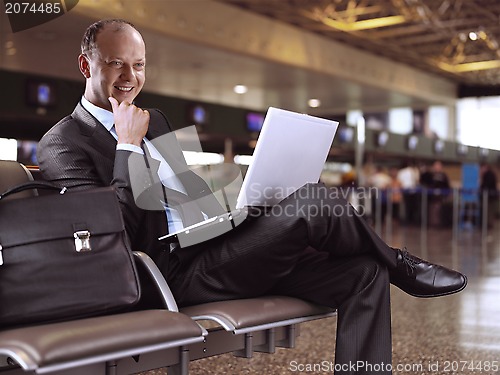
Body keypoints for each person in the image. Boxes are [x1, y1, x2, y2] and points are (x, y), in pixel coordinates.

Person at [37, 19, 467, 374]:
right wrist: (128, 148)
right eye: (116, 64)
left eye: (139, 65)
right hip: (163, 277)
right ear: (85, 65)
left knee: (364, 273)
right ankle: (402, 265)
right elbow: (109, 236)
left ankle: (386, 269)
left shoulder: (158, 120)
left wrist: (236, 204)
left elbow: (191, 199)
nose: (130, 78)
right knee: (315, 200)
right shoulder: (63, 143)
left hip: (211, 248)